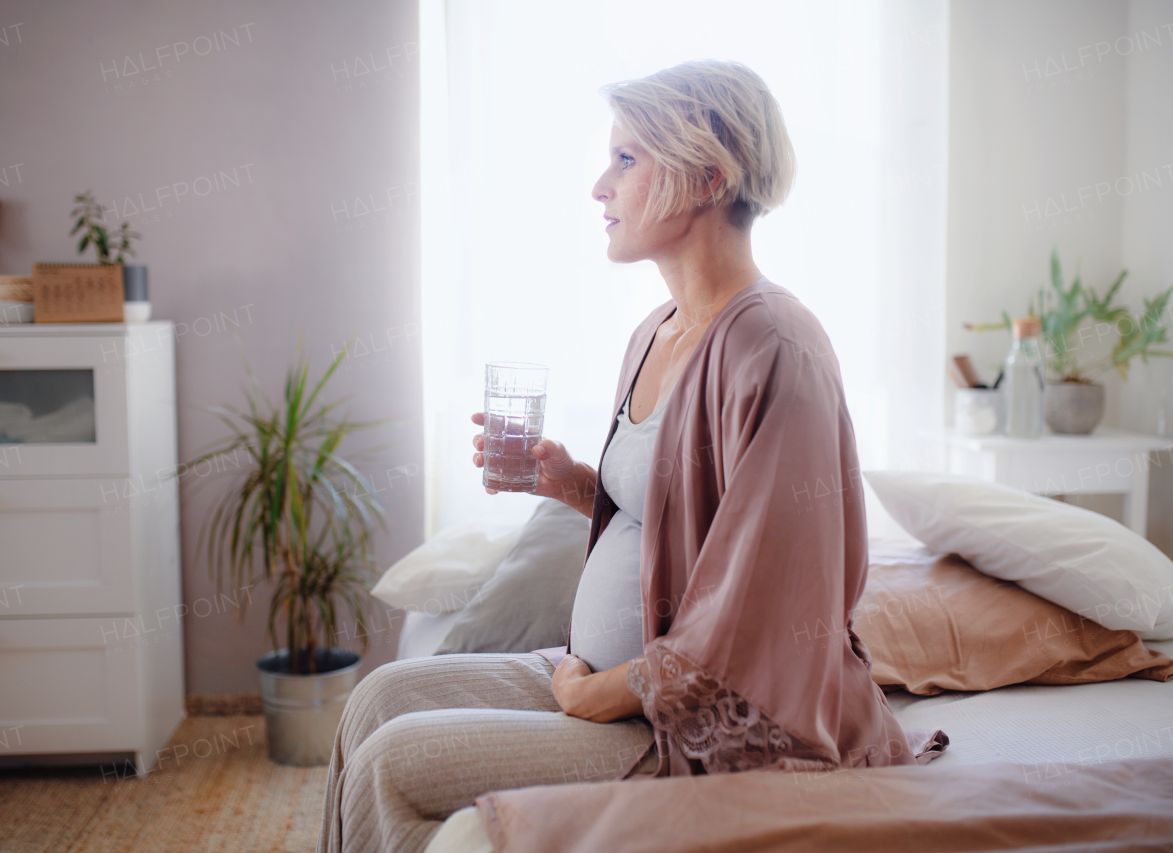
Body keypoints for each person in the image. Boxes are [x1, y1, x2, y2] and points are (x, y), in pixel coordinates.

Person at [317, 59, 928, 853]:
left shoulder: (773, 346)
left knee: (394, 762)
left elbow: (767, 603)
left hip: (696, 725)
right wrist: (577, 486)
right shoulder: (654, 330)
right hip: (603, 678)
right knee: (378, 699)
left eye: (627, 160)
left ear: (708, 175)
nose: (599, 186)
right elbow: (681, 520)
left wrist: (602, 692)